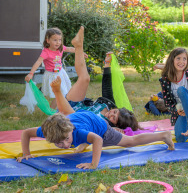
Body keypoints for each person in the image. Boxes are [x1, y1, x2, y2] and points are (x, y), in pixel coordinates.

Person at [17, 26, 175, 169]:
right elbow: (26, 133)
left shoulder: (80, 132)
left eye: (65, 139)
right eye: (59, 142)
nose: (65, 145)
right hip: (79, 116)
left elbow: (98, 140)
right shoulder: (50, 131)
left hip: (98, 126)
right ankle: (76, 51)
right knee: (72, 110)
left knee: (129, 142)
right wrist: (26, 153)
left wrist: (93, 164)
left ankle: (163, 135)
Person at [71, 52, 141, 133]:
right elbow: (106, 86)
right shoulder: (108, 104)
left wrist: (113, 130)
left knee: (85, 78)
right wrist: (107, 63)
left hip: (70, 116)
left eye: (114, 118)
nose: (111, 114)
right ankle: (78, 49)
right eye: (115, 111)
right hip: (74, 103)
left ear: (116, 125)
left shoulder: (104, 125)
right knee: (85, 79)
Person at [25, 27, 87, 109]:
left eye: (60, 40)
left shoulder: (60, 48)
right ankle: (52, 111)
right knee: (58, 94)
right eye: (55, 40)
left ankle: (56, 110)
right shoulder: (46, 52)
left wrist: (80, 52)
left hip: (60, 73)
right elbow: (38, 63)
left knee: (62, 93)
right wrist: (31, 74)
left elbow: (70, 49)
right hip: (51, 75)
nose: (58, 42)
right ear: (48, 40)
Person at [159, 48, 188, 143]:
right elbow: (168, 103)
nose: (182, 62)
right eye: (178, 58)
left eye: (184, 59)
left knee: (181, 90)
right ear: (172, 60)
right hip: (183, 113)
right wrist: (177, 110)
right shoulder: (165, 80)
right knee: (180, 139)